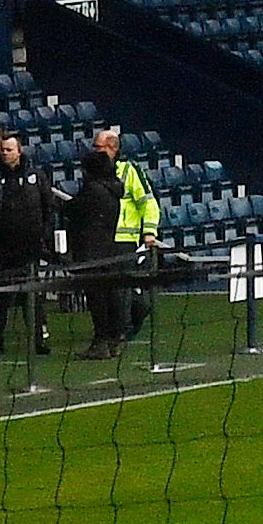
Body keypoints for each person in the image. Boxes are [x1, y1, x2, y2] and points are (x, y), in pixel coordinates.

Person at [66, 121, 161, 356]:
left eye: (99, 147)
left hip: (123, 240)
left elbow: (147, 203)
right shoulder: (96, 174)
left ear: (112, 148)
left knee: (119, 292)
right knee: (103, 292)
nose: (95, 151)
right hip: (101, 240)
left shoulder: (130, 171)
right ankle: (109, 335)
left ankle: (118, 335)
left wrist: (149, 231)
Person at [0, 127, 50, 357]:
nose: (5, 153)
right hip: (1, 248)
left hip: (29, 247)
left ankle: (38, 338)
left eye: (9, 149)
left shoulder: (36, 175)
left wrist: (43, 234)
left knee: (33, 295)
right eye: (3, 149)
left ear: (19, 151)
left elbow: (48, 206)